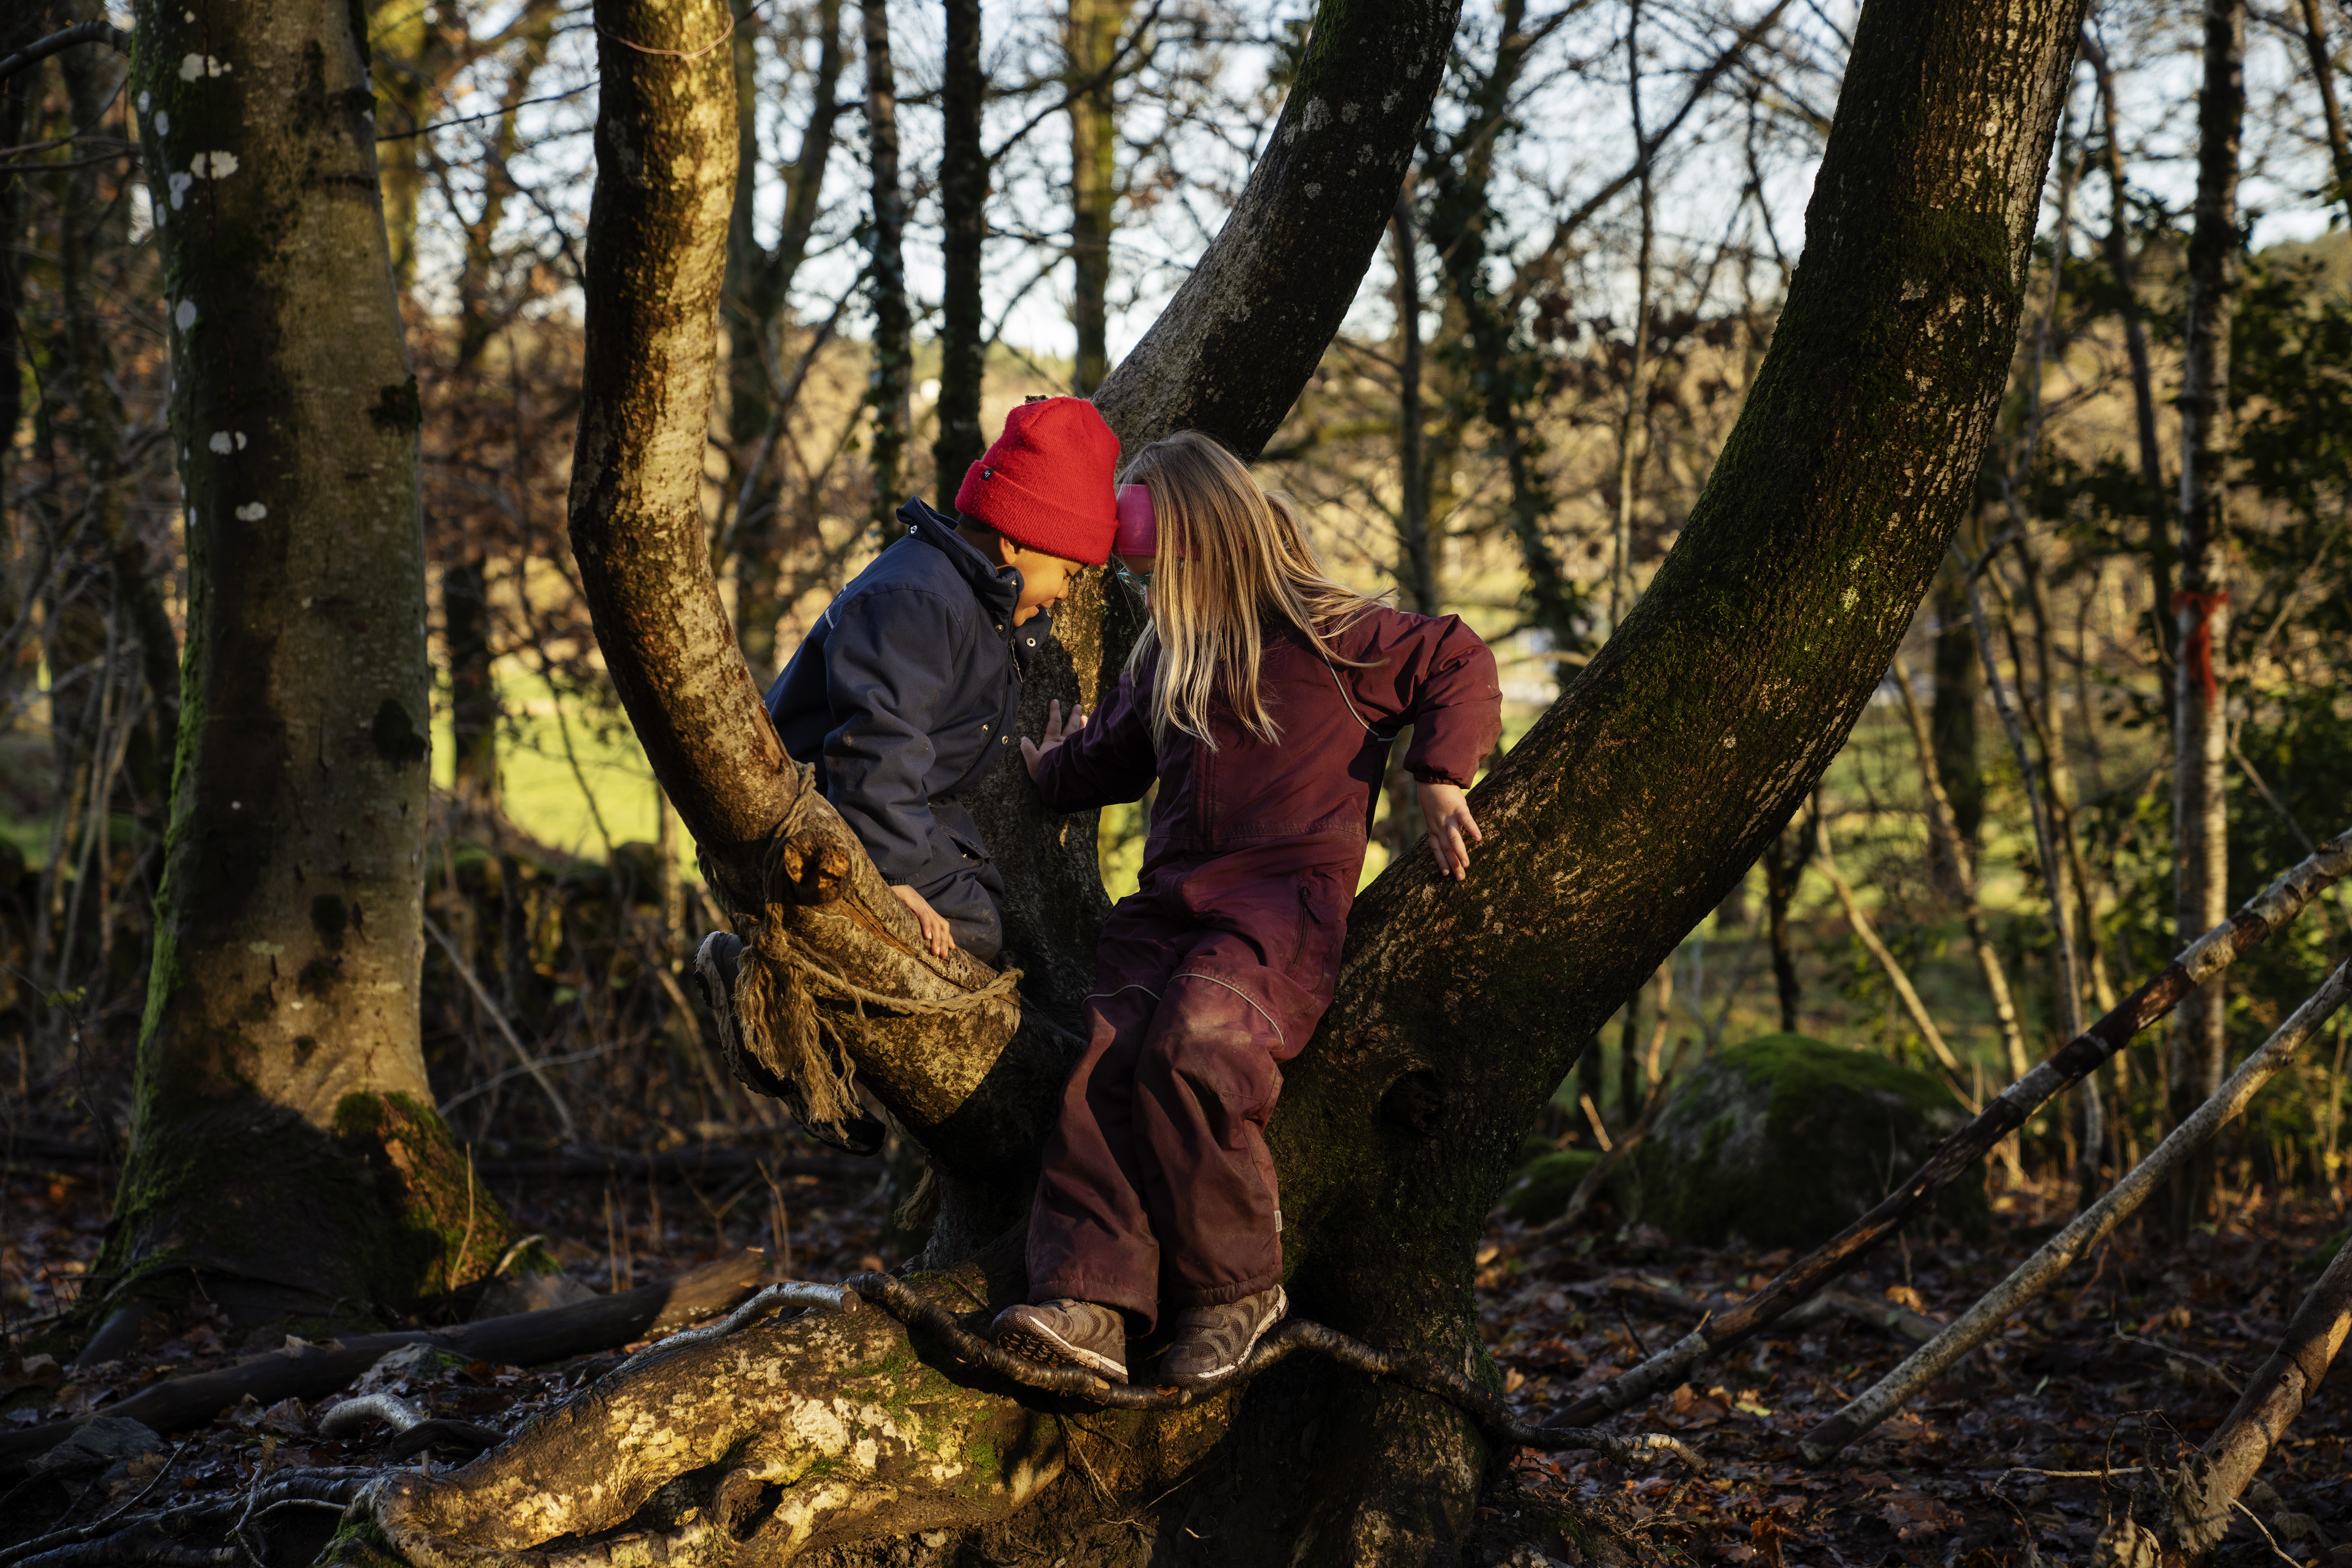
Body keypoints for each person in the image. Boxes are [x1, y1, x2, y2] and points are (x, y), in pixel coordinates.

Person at [991, 430, 1502, 1387]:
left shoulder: (1337, 638)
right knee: (1103, 1064)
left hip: (1277, 911)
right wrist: (1049, 767)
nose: (1146, 598)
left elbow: (1457, 658)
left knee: (1199, 1046)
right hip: (1169, 908)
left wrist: (1440, 774)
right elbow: (1108, 759)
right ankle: (1091, 1300)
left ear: (1204, 547)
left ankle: (1234, 1291)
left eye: (1154, 576)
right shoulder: (1164, 663)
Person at [698, 396, 1120, 1151]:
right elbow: (873, 752)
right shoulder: (917, 599)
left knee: (988, 929)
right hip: (826, 812)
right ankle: (778, 1012)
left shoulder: (979, 601)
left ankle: (823, 1055)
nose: (1068, 591)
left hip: (898, 806)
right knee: (953, 933)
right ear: (1020, 543)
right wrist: (888, 880)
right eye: (1068, 568)